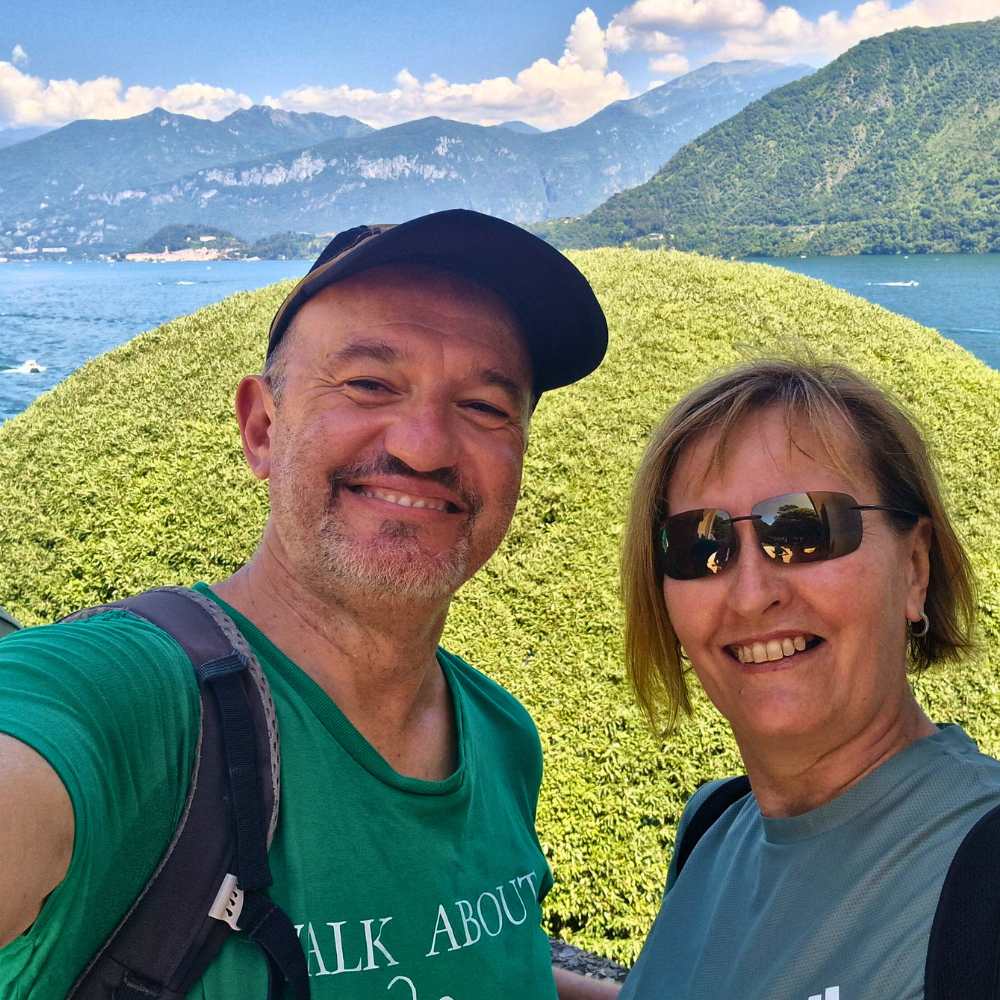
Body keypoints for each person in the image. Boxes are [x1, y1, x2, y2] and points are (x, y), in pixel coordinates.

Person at [0, 209, 620, 999]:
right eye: (369, 385)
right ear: (262, 427)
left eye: (485, 407)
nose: (425, 445)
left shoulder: (502, 737)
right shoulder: (123, 701)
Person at [618, 358, 989, 999]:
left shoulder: (983, 873)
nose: (750, 594)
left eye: (804, 528)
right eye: (700, 545)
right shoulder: (711, 830)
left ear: (915, 568)